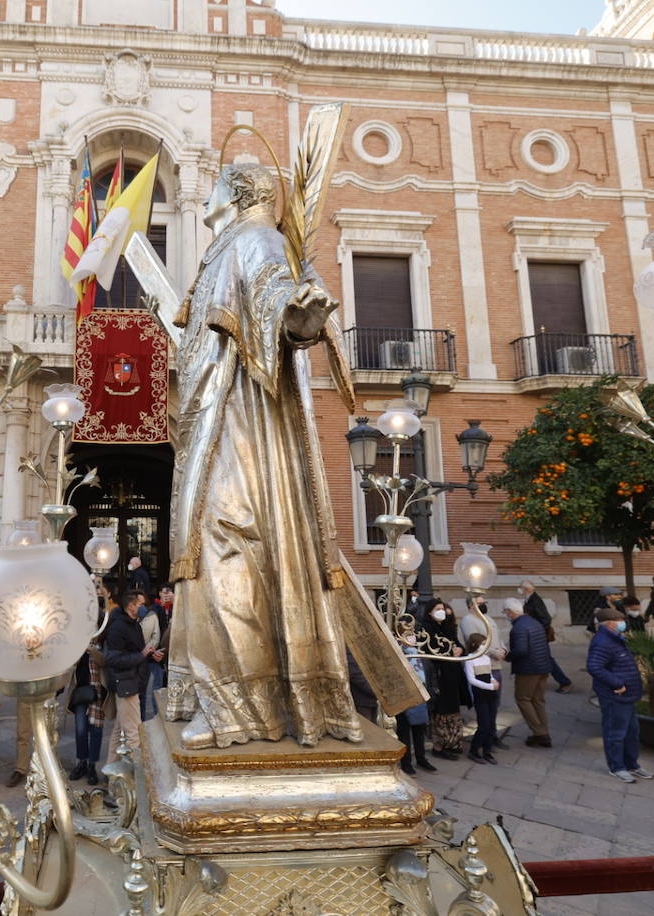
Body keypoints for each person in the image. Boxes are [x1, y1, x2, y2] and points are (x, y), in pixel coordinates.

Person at [158, 162, 421, 751]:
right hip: (212, 421)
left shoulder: (256, 239)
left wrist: (300, 317)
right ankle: (216, 693)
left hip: (244, 422)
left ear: (240, 193)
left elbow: (280, 296)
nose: (206, 194)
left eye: (217, 183)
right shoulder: (227, 246)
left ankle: (242, 708)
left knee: (230, 538)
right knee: (210, 547)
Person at [585, 606, 652, 783]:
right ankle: (617, 767)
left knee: (632, 732)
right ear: (609, 624)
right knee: (615, 733)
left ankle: (632, 764)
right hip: (615, 696)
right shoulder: (602, 642)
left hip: (627, 696)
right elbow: (594, 667)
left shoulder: (615, 638)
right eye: (620, 620)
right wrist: (618, 683)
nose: (623, 623)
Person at [103, 589, 150, 754]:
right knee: (134, 734)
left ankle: (111, 773)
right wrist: (141, 655)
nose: (144, 607)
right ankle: (135, 776)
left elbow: (134, 652)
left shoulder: (133, 624)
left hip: (132, 682)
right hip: (125, 683)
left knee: (119, 731)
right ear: (131, 605)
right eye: (141, 604)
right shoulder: (119, 627)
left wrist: (148, 654)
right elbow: (113, 659)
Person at [504, 597, 553, 748]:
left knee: (523, 699)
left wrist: (507, 656)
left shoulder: (518, 628)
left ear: (510, 612)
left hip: (528, 669)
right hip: (543, 666)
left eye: (506, 612)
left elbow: (521, 650)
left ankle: (539, 733)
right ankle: (543, 731)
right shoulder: (534, 622)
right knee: (538, 700)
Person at [422, 600, 467, 761]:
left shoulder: (448, 627)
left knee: (453, 709)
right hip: (439, 675)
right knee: (440, 710)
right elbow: (427, 652)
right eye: (438, 609)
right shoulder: (426, 628)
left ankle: (453, 742)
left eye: (443, 609)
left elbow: (458, 644)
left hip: (452, 674)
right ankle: (438, 745)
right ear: (430, 611)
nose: (442, 611)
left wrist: (460, 649)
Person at [518, 581, 571, 694]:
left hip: (538, 636)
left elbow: (546, 619)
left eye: (521, 588)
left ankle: (565, 682)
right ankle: (538, 680)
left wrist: (537, 632)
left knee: (546, 659)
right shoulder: (530, 599)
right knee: (537, 658)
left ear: (527, 590)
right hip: (534, 635)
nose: (520, 590)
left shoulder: (535, 601)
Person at [396, 632, 436, 776]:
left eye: (412, 634)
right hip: (404, 699)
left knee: (420, 732)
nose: (411, 638)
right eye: (407, 635)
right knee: (404, 734)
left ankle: (421, 759)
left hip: (421, 699)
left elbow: (430, 674)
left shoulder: (420, 654)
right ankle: (406, 763)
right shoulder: (398, 655)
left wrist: (432, 693)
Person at [67, 638, 107, 783]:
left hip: (98, 693)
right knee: (81, 729)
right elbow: (71, 664)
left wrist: (92, 650)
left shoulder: (103, 644)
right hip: (82, 693)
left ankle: (92, 765)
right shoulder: (78, 643)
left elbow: (104, 661)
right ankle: (82, 762)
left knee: (96, 730)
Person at [463, 632, 500, 765]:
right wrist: (489, 686)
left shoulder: (486, 658)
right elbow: (471, 679)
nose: (484, 647)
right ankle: (474, 750)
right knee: (483, 724)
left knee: (491, 724)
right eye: (482, 644)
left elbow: (489, 674)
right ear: (474, 644)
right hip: (480, 694)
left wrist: (493, 681)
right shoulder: (469, 659)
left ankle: (487, 751)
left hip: (491, 693)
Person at [133, 591, 165, 720]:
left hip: (150, 657)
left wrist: (148, 649)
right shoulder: (130, 617)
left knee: (153, 690)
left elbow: (156, 635)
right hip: (134, 659)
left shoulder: (152, 615)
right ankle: (140, 720)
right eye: (137, 602)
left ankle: (155, 718)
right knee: (138, 693)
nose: (140, 605)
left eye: (142, 602)